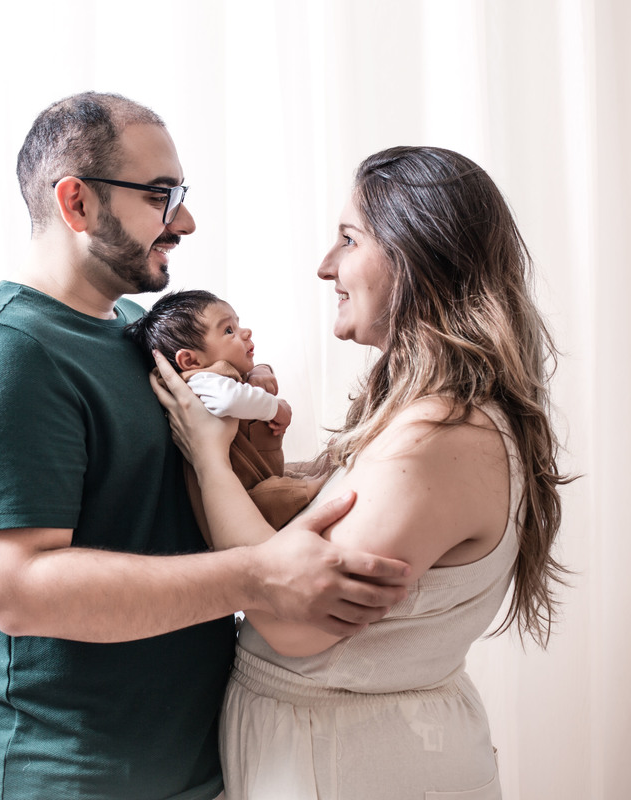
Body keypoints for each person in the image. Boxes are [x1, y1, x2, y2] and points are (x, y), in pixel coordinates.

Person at [0, 92, 411, 800]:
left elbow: (167, 503)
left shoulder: (133, 328)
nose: (184, 220)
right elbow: (20, 590)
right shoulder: (6, 357)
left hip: (196, 762)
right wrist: (257, 575)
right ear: (77, 204)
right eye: (161, 195)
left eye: (181, 194)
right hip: (72, 777)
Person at [152, 146, 571, 799]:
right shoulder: (425, 417)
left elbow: (292, 624)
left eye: (348, 239)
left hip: (350, 764)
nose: (326, 267)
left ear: (417, 253)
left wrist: (207, 455)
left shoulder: (437, 439)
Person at [125, 289, 326, 532]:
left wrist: (260, 370)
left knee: (293, 480)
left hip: (261, 480)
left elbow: (239, 379)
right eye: (228, 330)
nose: (245, 332)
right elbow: (229, 398)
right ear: (190, 361)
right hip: (245, 501)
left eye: (237, 324)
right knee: (306, 490)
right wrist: (276, 408)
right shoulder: (197, 381)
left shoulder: (216, 375)